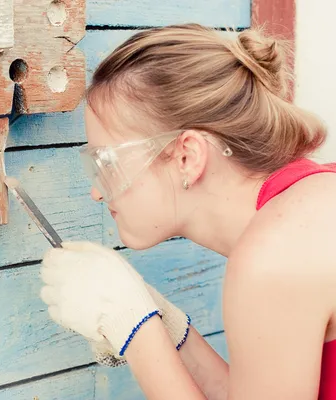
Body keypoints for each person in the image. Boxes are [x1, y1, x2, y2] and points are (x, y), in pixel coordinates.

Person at [38, 23, 336, 399]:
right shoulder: (307, 207)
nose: (97, 192)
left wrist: (136, 331)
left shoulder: (274, 256)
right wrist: (169, 328)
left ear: (187, 156)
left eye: (108, 164)